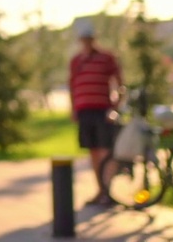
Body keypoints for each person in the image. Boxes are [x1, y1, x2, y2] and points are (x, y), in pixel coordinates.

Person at [69, 20, 123, 206]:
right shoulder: (76, 61)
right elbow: (72, 86)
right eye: (83, 39)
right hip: (85, 111)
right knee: (92, 151)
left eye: (89, 39)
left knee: (106, 151)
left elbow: (119, 83)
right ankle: (100, 190)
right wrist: (73, 108)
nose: (86, 43)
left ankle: (107, 190)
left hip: (103, 111)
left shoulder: (106, 58)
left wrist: (115, 106)